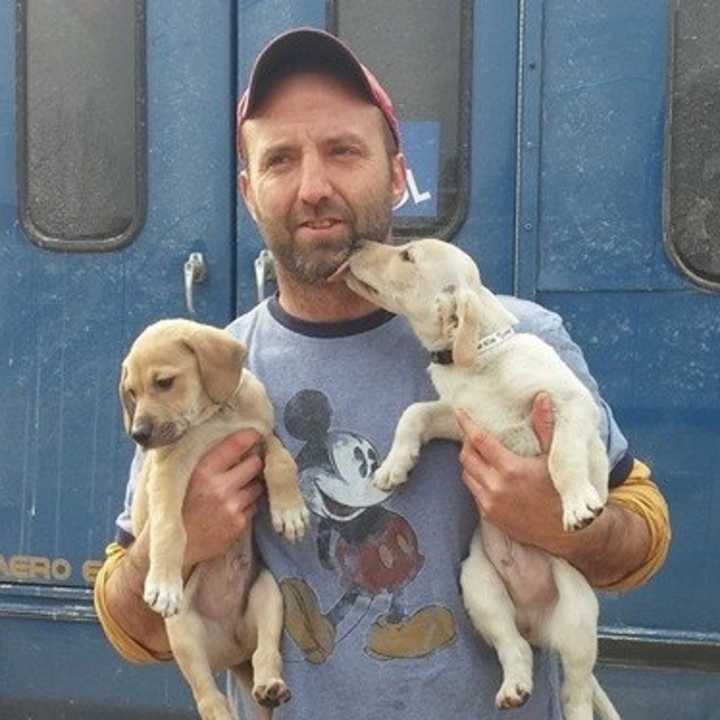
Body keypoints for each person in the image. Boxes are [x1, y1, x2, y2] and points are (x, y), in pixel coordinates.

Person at [94, 28, 671, 719]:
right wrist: (177, 538)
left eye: (343, 151)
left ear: (398, 173)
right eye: (281, 160)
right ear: (250, 192)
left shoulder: (514, 341)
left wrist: (564, 523)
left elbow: (643, 531)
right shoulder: (214, 376)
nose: (313, 187)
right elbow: (132, 629)